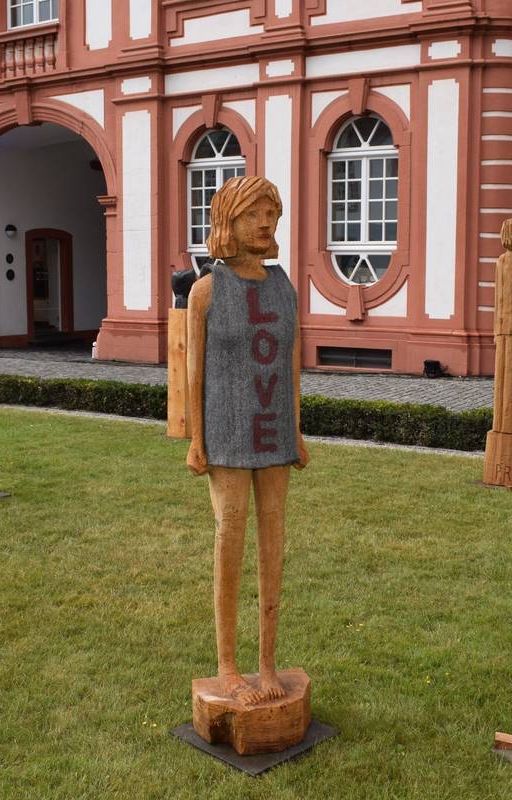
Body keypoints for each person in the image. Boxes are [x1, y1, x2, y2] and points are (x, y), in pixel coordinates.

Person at [185, 175, 309, 706]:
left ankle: (268, 663)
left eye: (270, 214)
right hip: (228, 435)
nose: (264, 223)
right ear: (227, 222)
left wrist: (296, 430)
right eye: (252, 214)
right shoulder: (207, 291)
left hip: (273, 431)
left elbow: (292, 365)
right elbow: (192, 373)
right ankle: (228, 666)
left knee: (274, 544)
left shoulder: (283, 288)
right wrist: (196, 438)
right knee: (229, 539)